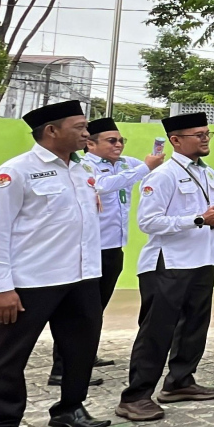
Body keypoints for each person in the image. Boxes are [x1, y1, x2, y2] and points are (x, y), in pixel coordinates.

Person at [0, 100, 110, 427]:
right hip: (31, 282)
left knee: (80, 349)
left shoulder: (81, 170)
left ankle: (70, 408)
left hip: (81, 277)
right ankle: (4, 425)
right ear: (51, 131)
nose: (87, 133)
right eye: (79, 127)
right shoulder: (15, 172)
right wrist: (1, 287)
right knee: (9, 355)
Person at [117, 113, 214, 421]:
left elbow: (207, 214)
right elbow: (148, 222)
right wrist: (199, 219)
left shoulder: (208, 172)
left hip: (203, 259)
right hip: (168, 263)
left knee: (194, 326)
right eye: (198, 134)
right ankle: (135, 397)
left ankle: (180, 382)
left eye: (207, 133)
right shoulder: (163, 176)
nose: (205, 138)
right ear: (175, 140)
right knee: (157, 331)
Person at [47, 117, 162, 387]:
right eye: (111, 141)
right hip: (89, 248)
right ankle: (62, 369)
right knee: (78, 311)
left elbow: (150, 172)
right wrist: (145, 167)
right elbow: (102, 185)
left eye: (121, 140)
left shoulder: (126, 164)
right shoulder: (83, 165)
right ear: (90, 144)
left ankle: (85, 355)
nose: (118, 145)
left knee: (96, 309)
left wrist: (154, 160)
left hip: (113, 246)